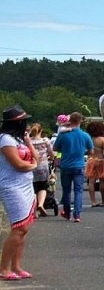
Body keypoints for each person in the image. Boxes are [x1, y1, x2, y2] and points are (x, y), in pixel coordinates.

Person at [0, 106, 39, 279]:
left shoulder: (18, 139)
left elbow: (36, 158)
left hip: (25, 185)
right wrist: (33, 166)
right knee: (19, 227)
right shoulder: (5, 139)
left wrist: (28, 141)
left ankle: (16, 266)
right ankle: (3, 268)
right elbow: (18, 164)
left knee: (24, 228)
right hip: (12, 186)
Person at [52, 112, 92, 222]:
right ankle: (77, 214)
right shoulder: (85, 135)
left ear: (70, 121)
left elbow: (55, 148)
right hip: (79, 165)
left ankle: (67, 212)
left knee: (66, 190)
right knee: (78, 191)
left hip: (65, 165)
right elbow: (91, 151)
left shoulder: (63, 135)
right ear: (80, 121)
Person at [85, 119, 104, 208]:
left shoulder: (89, 139)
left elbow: (86, 150)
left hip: (91, 161)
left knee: (91, 182)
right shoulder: (102, 139)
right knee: (103, 181)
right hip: (101, 161)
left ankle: (93, 201)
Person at [27, 122, 52, 218]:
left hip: (31, 166)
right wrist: (51, 158)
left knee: (33, 188)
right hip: (43, 166)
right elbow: (51, 153)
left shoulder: (28, 141)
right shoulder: (45, 141)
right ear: (41, 130)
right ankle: (41, 204)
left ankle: (34, 211)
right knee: (43, 186)